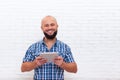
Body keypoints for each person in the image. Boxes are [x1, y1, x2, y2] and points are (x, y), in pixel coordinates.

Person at [21, 15, 77, 80]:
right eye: (46, 25)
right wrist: (35, 63)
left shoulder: (65, 47)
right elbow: (23, 68)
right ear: (42, 28)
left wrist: (62, 64)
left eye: (52, 25)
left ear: (57, 26)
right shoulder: (33, 47)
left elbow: (74, 69)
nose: (50, 28)